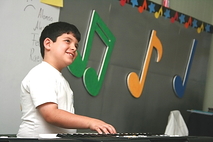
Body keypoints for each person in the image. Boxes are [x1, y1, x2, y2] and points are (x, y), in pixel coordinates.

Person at [17, 21, 116, 138]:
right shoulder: (41, 73)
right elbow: (51, 114)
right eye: (67, 41)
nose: (74, 48)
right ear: (48, 44)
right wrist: (91, 122)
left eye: (76, 45)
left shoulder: (59, 79)